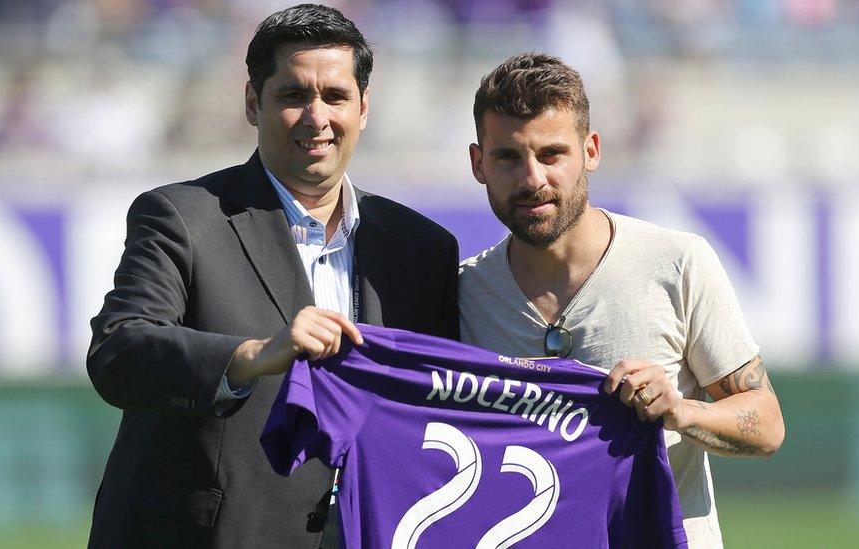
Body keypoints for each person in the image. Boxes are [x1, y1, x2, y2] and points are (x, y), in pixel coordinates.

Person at [85, 5, 459, 548]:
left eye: (335, 96)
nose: (316, 117)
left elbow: (449, 398)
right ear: (252, 103)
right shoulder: (182, 216)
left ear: (364, 107)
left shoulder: (423, 249)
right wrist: (249, 357)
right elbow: (120, 352)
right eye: (292, 96)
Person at [458, 52, 784, 548]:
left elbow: (766, 424)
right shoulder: (464, 292)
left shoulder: (677, 262)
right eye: (508, 157)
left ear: (590, 150)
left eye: (552, 154)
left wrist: (680, 412)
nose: (532, 179)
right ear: (479, 164)